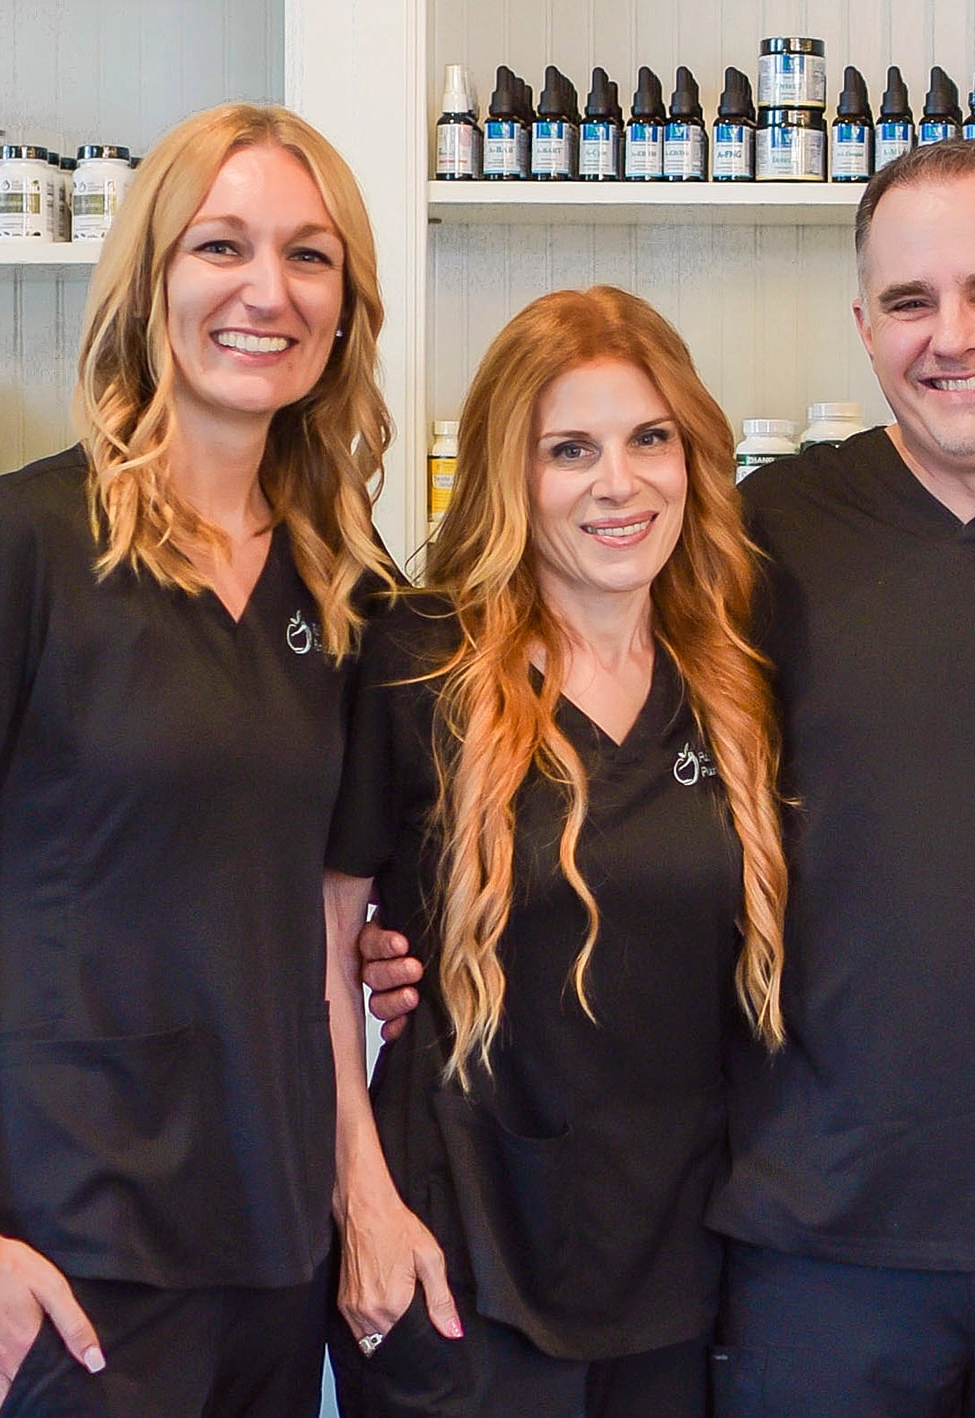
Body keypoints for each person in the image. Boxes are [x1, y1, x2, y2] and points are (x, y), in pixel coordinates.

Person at [364, 139, 975, 1415]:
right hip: (810, 1239)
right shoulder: (761, 535)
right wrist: (410, 911)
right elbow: (584, 733)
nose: (952, 335)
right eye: (909, 303)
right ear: (864, 327)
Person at [0, 103, 393, 1418]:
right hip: (70, 1248)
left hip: (273, 1249)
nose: (269, 290)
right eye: (222, 246)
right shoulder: (19, 544)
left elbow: (317, 909)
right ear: (150, 280)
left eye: (311, 257)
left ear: (344, 307)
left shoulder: (342, 582)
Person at [321, 285, 788, 1418]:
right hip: (456, 1246)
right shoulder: (416, 661)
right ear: (507, 474)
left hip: (678, 1261)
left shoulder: (733, 677)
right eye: (567, 449)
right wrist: (364, 1206)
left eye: (648, 439)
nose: (617, 483)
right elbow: (315, 948)